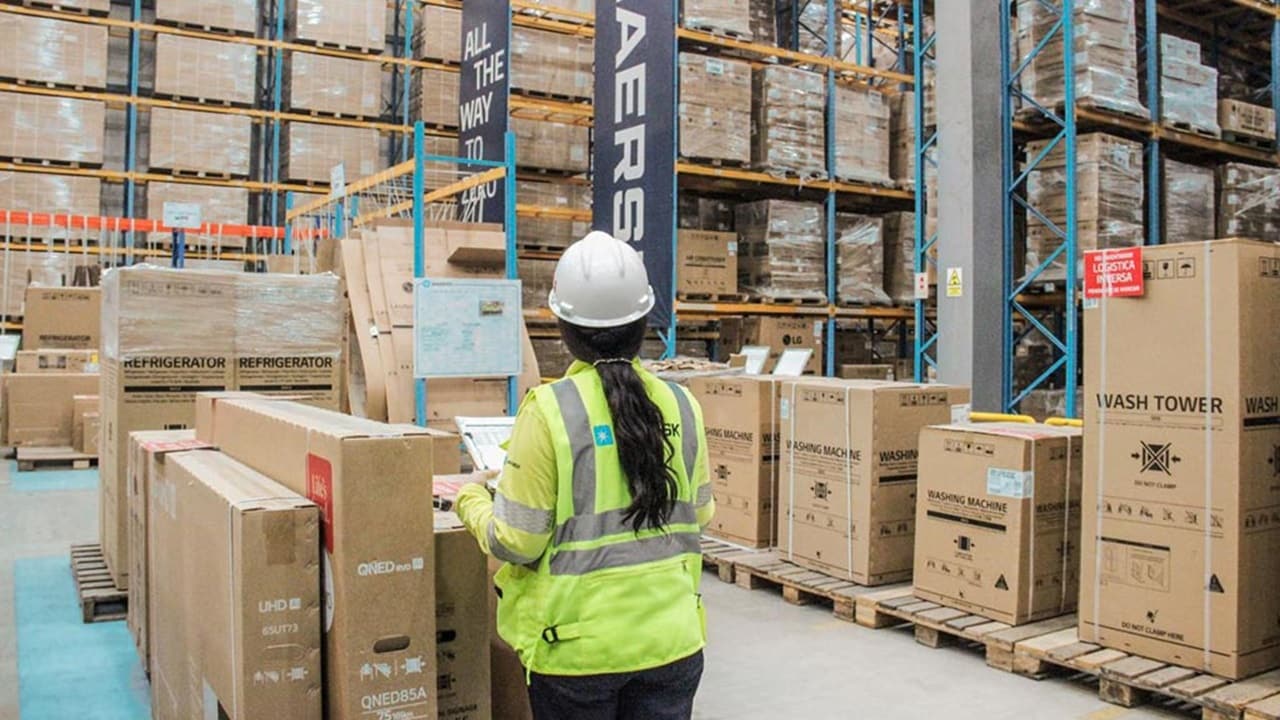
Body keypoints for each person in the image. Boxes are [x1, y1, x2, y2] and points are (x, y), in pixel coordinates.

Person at [455, 231, 715, 720]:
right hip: (673, 642)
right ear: (643, 321)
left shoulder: (550, 411)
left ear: (563, 326)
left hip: (576, 652)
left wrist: (472, 497)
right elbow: (699, 513)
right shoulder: (683, 404)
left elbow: (517, 541)